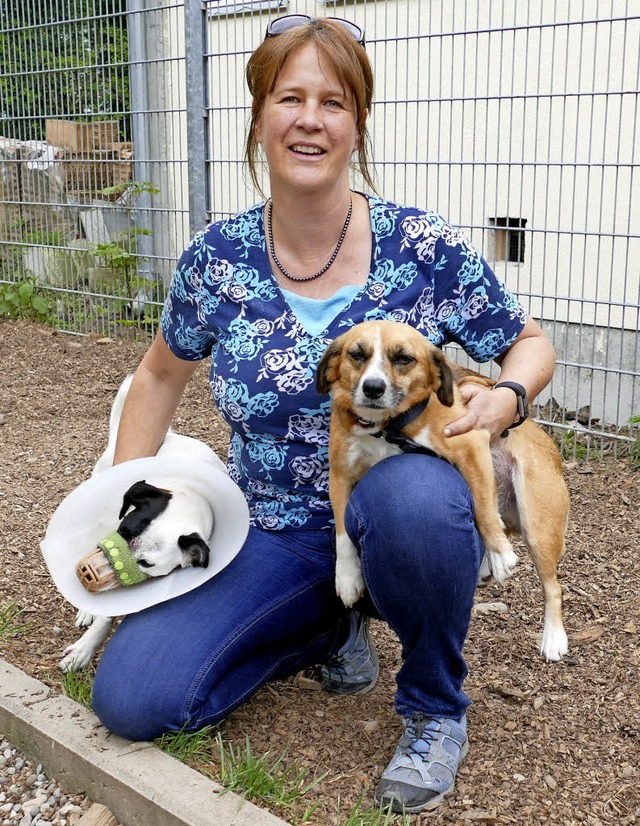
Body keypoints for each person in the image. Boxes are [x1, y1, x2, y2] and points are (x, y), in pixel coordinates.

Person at [90, 15, 556, 814]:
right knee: (132, 700)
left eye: (332, 102)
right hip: (264, 531)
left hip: (402, 513)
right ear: (259, 116)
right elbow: (158, 376)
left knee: (412, 502)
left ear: (357, 124)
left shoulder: (423, 246)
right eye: (289, 97)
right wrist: (125, 503)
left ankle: (434, 707)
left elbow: (529, 346)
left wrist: (506, 398)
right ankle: (319, 629)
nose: (309, 119)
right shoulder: (218, 257)